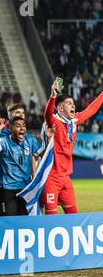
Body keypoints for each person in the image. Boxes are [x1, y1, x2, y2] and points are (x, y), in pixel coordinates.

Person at [41, 79, 103, 214]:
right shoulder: (55, 122)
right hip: (51, 177)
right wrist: (53, 96)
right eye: (69, 103)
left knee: (74, 216)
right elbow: (47, 115)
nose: (73, 106)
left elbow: (91, 109)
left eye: (73, 104)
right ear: (60, 108)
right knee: (51, 216)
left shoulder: (74, 121)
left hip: (66, 178)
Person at [0, 116, 40, 216]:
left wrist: (49, 138)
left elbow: (43, 154)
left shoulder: (30, 140)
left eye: (24, 125)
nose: (22, 128)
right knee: (7, 221)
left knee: (24, 221)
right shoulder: (4, 141)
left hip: (25, 189)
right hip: (7, 190)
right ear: (10, 129)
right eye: (18, 126)